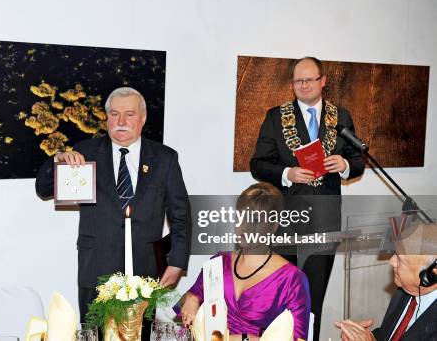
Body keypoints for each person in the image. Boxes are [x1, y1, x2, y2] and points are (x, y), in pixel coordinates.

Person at [35, 86, 192, 320]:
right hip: (96, 270)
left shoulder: (165, 158)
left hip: (144, 274)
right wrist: (58, 160)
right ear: (107, 117)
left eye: (129, 114)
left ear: (143, 118)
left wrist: (177, 262)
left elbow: (181, 216)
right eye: (114, 114)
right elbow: (43, 190)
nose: (121, 121)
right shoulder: (84, 152)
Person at [249, 56, 365, 337]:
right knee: (279, 297)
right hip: (285, 218)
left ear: (322, 81)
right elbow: (258, 164)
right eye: (297, 80)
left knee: (313, 297)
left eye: (309, 79)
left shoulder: (342, 116)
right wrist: (287, 173)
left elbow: (358, 160)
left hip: (325, 220)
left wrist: (345, 165)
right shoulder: (276, 116)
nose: (303, 85)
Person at [180, 183, 311, 340]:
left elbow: (298, 338)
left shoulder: (292, 279)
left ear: (273, 226)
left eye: (255, 220)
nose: (244, 226)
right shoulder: (219, 263)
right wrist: (191, 300)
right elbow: (192, 296)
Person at [335, 223, 437, 341]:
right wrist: (363, 336)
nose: (391, 261)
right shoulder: (405, 289)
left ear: (431, 275)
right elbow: (394, 334)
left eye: (400, 259)